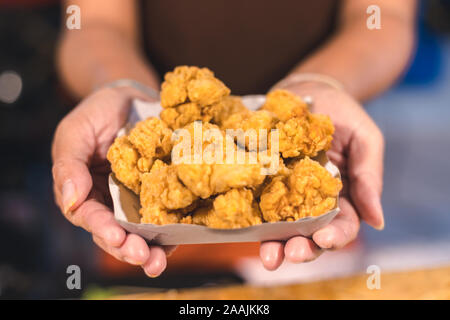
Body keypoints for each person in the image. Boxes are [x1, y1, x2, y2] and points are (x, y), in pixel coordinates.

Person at [52, 0, 416, 278]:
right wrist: (121, 88)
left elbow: (384, 16)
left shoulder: (300, 174)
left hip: (318, 205)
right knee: (139, 267)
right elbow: (94, 21)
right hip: (144, 227)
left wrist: (324, 85)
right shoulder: (167, 159)